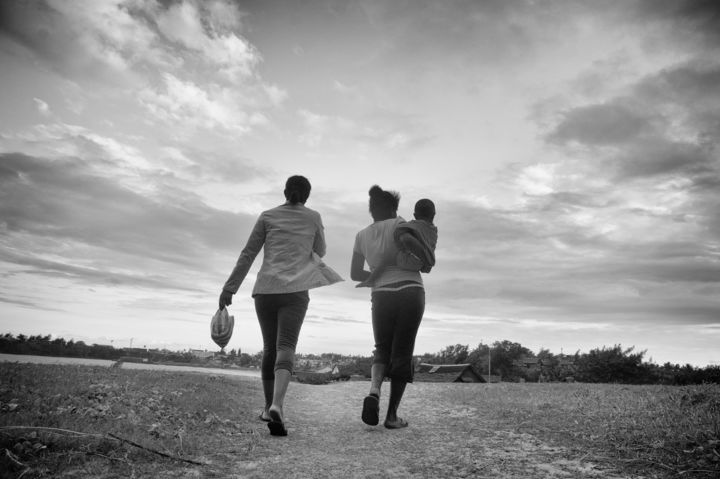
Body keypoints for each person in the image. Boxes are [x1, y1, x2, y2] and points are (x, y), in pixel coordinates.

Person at [219, 175, 342, 436]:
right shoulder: (313, 217)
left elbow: (248, 253)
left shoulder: (267, 216)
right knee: (286, 347)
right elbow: (321, 249)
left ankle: (267, 408)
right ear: (307, 196)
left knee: (269, 349)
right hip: (295, 291)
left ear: (285, 191)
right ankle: (277, 405)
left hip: (265, 290)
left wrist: (230, 288)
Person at [351, 185, 428, 429]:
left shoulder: (361, 236)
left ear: (371, 211)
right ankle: (392, 415)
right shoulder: (400, 224)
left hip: (381, 295)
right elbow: (422, 259)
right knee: (402, 353)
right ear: (394, 209)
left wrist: (376, 275)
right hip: (410, 290)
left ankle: (374, 391)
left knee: (381, 348)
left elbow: (354, 274)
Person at [356, 198, 437, 288]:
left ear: (415, 215)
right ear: (433, 215)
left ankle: (371, 280)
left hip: (410, 261)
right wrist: (426, 260)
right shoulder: (432, 231)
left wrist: (427, 258)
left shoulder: (414, 226)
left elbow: (406, 239)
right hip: (419, 268)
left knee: (388, 256)